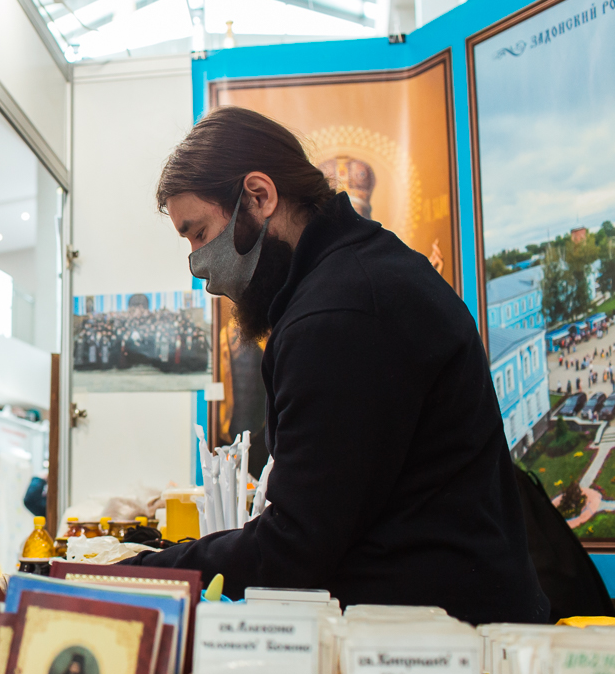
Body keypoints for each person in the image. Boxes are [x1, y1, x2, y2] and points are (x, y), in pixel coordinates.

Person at [131, 106, 548, 625]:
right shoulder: (359, 275)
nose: (198, 264)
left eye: (198, 233)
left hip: (438, 642)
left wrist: (138, 574)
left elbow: (294, 546)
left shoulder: (339, 314)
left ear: (258, 196)